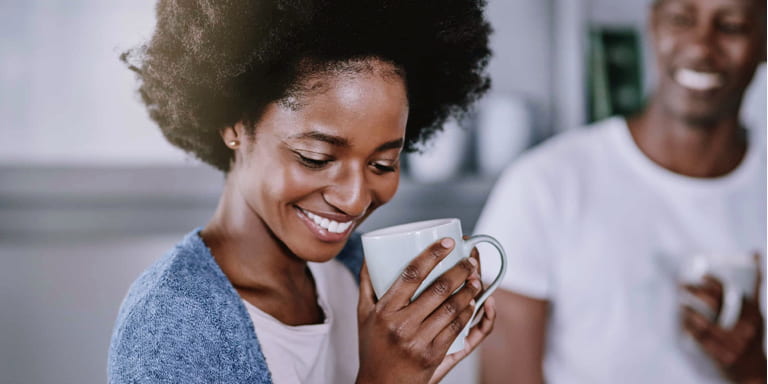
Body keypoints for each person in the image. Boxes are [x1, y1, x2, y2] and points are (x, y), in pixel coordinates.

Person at [107, 1, 496, 383]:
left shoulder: (359, 270)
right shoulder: (170, 324)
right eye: (315, 157)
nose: (354, 200)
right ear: (233, 123)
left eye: (382, 165)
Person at [476, 0, 766, 383]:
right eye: (681, 19)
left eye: (730, 26)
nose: (701, 46)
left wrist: (750, 368)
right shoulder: (544, 185)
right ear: (653, 26)